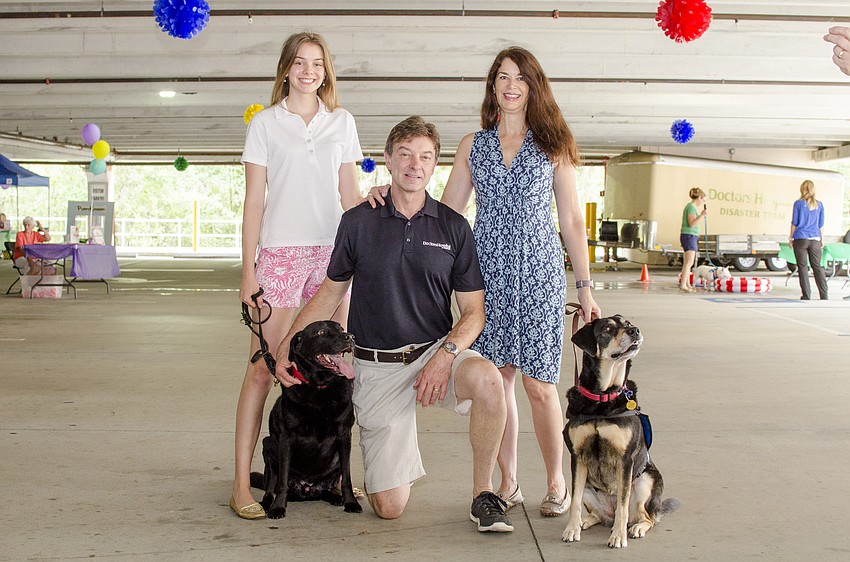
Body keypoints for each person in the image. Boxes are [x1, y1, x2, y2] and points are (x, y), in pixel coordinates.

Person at [371, 47, 601, 518]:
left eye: (520, 78)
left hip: (539, 277)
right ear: (493, 86)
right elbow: (447, 211)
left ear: (534, 86)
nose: (510, 85)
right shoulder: (474, 145)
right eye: (502, 77)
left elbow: (572, 220)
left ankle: (557, 480)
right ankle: (508, 483)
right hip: (485, 275)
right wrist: (392, 192)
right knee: (498, 382)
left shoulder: (553, 144)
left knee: (540, 386)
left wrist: (585, 286)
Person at [277, 116, 513, 533]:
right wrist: (284, 346)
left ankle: (483, 494)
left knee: (490, 380)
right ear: (387, 160)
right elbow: (330, 293)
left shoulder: (454, 227)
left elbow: (474, 312)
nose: (414, 164)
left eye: (424, 156)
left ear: (435, 164)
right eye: (404, 154)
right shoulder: (358, 221)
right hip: (375, 365)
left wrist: (446, 355)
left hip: (434, 349)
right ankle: (393, 461)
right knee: (389, 507)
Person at [230, 31, 364, 520]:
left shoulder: (341, 122)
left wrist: (370, 223)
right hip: (281, 258)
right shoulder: (265, 124)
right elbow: (254, 203)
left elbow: (348, 193)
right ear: (286, 69)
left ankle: (330, 475)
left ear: (326, 71)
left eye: (318, 64)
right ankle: (242, 485)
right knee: (263, 371)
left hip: (330, 261)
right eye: (301, 63)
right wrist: (250, 273)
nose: (310, 72)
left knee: (331, 367)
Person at [790, 180, 828, 301]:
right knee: (817, 266)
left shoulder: (798, 203)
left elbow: (794, 222)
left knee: (802, 267)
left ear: (802, 189)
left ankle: (806, 295)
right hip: (815, 239)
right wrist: (822, 239)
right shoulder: (819, 204)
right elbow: (821, 224)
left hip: (801, 238)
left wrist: (791, 237)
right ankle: (824, 295)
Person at [679, 188, 706, 292]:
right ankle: (683, 285)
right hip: (689, 235)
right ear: (699, 197)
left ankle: (687, 283)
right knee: (689, 262)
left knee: (687, 262)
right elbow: (691, 223)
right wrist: (702, 215)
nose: (702, 202)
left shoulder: (691, 207)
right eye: (703, 199)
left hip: (690, 236)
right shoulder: (691, 207)